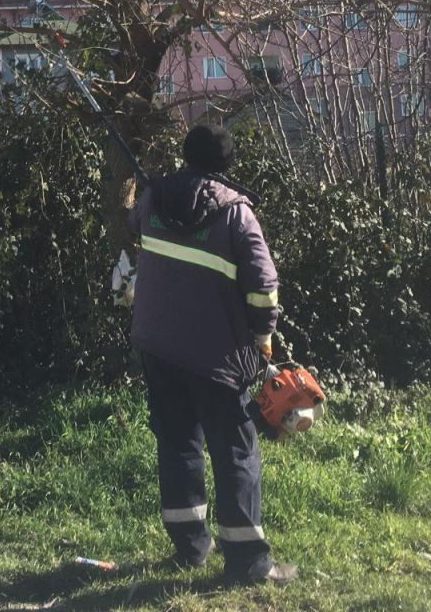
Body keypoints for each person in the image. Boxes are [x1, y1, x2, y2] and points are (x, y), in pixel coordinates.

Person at [128, 124, 295, 586]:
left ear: (185, 155)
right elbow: (264, 289)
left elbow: (133, 225)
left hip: (158, 348)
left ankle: (190, 547)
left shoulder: (153, 200)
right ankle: (248, 563)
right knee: (235, 450)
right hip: (218, 356)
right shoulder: (236, 214)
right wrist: (263, 337)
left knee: (177, 442)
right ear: (228, 163)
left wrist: (151, 190)